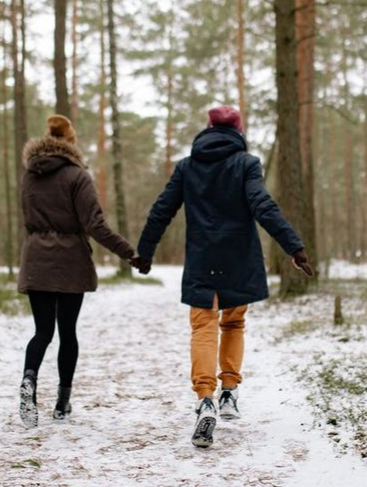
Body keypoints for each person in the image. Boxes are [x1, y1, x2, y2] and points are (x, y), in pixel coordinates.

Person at [132, 106, 314, 448]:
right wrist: (294, 247)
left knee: (203, 326)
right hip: (238, 257)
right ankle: (229, 391)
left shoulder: (187, 167)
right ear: (239, 129)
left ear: (208, 128)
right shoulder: (247, 163)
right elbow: (263, 205)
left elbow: (162, 210)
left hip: (202, 258)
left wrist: (145, 252)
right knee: (233, 324)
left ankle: (205, 398)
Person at [17, 115, 135, 428]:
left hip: (37, 260)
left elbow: (28, 217)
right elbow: (95, 225)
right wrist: (130, 253)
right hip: (69, 263)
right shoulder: (77, 176)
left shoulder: (29, 175)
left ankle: (29, 380)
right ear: (71, 140)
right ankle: (61, 403)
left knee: (42, 331)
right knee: (67, 333)